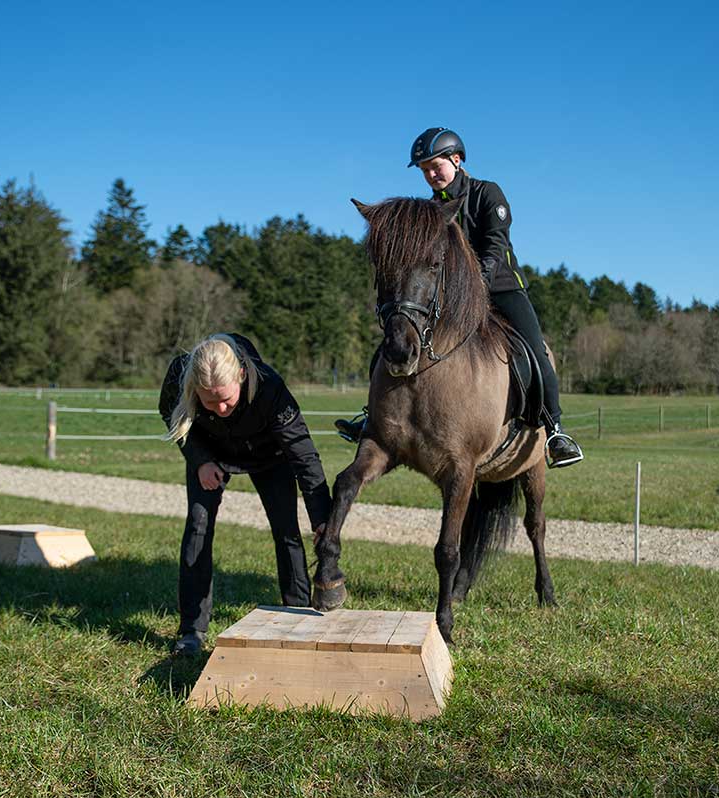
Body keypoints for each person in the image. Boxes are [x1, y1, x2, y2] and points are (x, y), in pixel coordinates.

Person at [336, 127, 584, 467]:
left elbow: (495, 245)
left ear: (456, 159)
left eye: (435, 166)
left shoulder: (487, 193)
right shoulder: (427, 210)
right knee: (394, 341)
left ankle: (555, 430)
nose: (431, 175)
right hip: (450, 299)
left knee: (535, 349)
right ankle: (373, 418)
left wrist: (478, 282)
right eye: (424, 170)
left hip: (500, 288)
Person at [159, 333, 331, 656]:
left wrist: (322, 518)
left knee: (287, 530)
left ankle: (298, 615)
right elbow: (170, 413)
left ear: (240, 374)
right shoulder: (180, 376)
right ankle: (192, 629)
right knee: (198, 525)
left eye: (227, 399)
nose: (221, 408)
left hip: (269, 455)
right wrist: (200, 460)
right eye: (210, 402)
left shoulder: (271, 389)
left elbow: (304, 456)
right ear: (194, 388)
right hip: (211, 454)